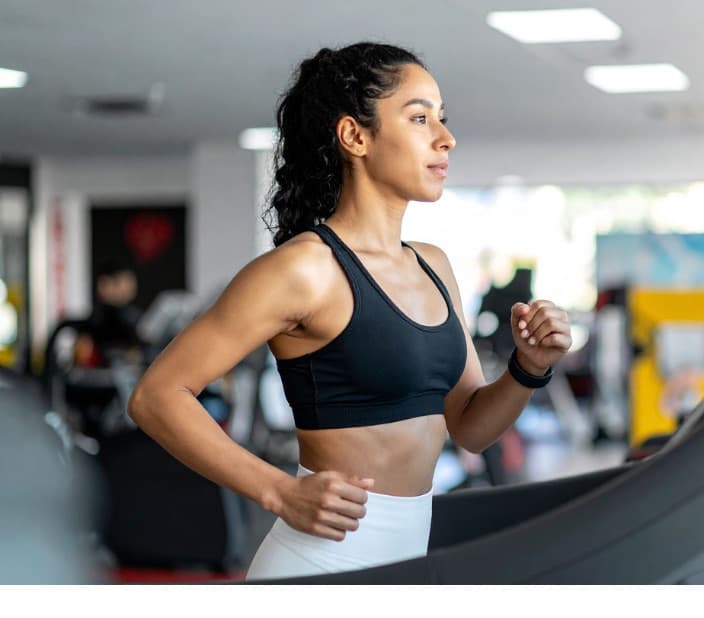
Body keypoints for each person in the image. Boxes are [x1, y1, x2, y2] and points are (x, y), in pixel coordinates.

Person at [128, 42, 572, 580]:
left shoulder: (434, 265)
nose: (445, 137)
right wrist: (278, 490)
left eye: (442, 119)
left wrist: (529, 367)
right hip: (321, 560)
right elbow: (156, 397)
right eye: (418, 117)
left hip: (410, 557)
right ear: (354, 136)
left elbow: (471, 427)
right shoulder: (303, 270)